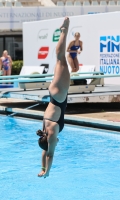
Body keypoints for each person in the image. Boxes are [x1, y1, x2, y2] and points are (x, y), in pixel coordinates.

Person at [36, 17, 70, 178]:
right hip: (52, 93)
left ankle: (65, 29)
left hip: (59, 94)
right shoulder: (44, 131)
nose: (56, 143)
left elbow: (49, 154)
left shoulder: (52, 132)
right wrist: (42, 168)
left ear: (50, 141)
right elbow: (44, 152)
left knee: (61, 58)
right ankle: (64, 31)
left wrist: (47, 172)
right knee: (59, 59)